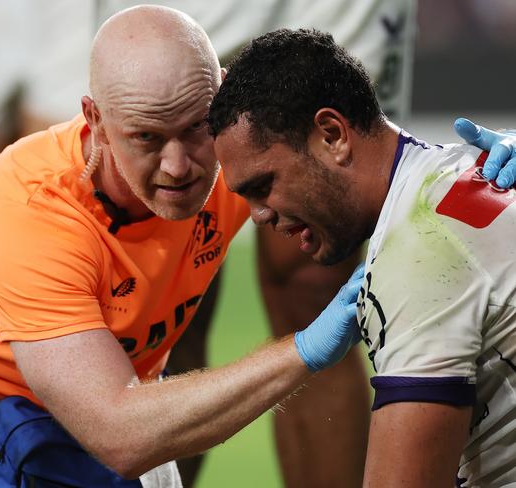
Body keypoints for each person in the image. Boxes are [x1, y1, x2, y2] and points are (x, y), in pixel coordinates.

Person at [0, 2, 417, 485]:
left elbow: (382, 169)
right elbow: (120, 435)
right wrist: (304, 350)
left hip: (93, 439)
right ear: (96, 120)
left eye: (196, 129)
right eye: (146, 138)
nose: (177, 168)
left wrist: (487, 167)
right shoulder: (29, 213)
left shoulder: (235, 144)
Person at [208, 27, 516, 486]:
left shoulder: (417, 256)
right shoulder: (471, 169)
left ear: (332, 134)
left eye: (263, 185)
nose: (257, 215)